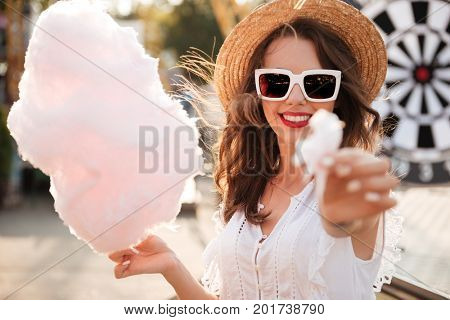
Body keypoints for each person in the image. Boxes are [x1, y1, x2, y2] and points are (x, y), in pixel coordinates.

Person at [108, 0, 403, 299]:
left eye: (317, 83)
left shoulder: (350, 183)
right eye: (277, 82)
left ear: (338, 95)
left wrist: (345, 210)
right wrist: (172, 266)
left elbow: (349, 220)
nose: (296, 98)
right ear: (259, 93)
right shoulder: (248, 186)